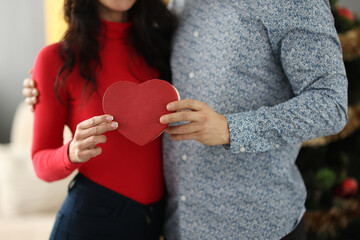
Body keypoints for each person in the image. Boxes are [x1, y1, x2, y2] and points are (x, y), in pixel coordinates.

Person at [24, 0, 348, 239]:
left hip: (255, 225)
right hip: (172, 225)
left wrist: (232, 129)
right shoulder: (177, 10)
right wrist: (44, 85)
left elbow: (331, 105)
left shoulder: (289, 3)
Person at [27, 0, 176, 239]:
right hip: (91, 220)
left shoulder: (164, 46)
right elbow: (39, 161)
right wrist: (71, 153)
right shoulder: (56, 58)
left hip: (154, 220)